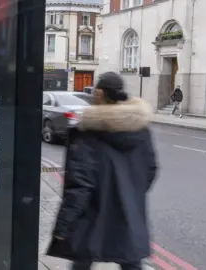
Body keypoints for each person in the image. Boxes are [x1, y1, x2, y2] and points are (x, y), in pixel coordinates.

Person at [47, 72, 158, 270]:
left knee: (82, 260)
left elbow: (80, 185)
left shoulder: (88, 132)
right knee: (131, 261)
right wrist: (130, 193)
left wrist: (63, 225)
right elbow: (150, 170)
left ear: (99, 93)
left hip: (94, 216)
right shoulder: (141, 130)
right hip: (128, 214)